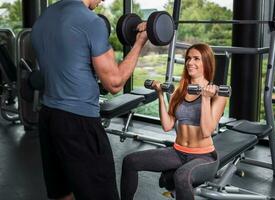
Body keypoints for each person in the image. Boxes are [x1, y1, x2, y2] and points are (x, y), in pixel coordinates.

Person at [31, 0, 148, 200]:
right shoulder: (91, 22)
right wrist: (139, 43)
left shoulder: (44, 18)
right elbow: (114, 83)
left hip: (48, 118)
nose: (102, 0)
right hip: (79, 123)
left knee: (61, 193)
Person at [120, 43, 227, 200]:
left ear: (206, 62)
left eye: (196, 58)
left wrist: (205, 98)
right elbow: (167, 125)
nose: (190, 62)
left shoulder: (218, 94)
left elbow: (206, 131)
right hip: (178, 152)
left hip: (204, 157)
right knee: (130, 161)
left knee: (181, 177)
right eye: (188, 58)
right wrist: (160, 95)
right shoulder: (181, 90)